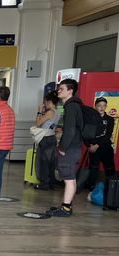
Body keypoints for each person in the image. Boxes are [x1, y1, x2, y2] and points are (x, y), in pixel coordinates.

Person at [46, 79, 84, 217]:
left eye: (61, 88)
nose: (58, 91)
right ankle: (66, 205)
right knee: (71, 178)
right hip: (75, 147)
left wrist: (62, 147)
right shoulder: (75, 105)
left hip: (70, 148)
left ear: (70, 90)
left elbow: (70, 131)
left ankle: (66, 208)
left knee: (68, 178)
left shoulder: (71, 107)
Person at [85, 97, 116, 191]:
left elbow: (108, 135)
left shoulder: (110, 119)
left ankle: (112, 189)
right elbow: (85, 133)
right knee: (93, 168)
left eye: (104, 106)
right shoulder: (90, 118)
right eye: (99, 106)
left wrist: (96, 145)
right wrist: (89, 145)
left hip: (105, 147)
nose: (101, 108)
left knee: (110, 169)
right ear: (95, 106)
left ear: (106, 106)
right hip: (93, 148)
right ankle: (91, 188)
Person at [33, 91, 60, 190]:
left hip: (45, 138)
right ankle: (51, 183)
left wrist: (39, 111)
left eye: (45, 101)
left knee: (43, 161)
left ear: (49, 101)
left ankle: (44, 183)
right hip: (52, 137)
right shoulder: (57, 112)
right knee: (51, 162)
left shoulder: (50, 112)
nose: (44, 104)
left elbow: (38, 123)